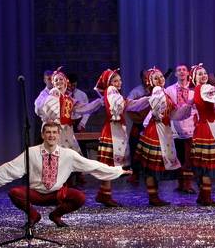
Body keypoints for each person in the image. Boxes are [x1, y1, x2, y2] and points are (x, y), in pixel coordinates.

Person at [0, 122, 131, 227]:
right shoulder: (32, 152)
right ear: (43, 135)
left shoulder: (68, 154)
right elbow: (11, 168)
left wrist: (118, 171)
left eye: (54, 132)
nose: (51, 135)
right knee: (14, 193)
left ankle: (55, 215)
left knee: (80, 197)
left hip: (57, 194)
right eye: (48, 132)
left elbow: (92, 165)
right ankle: (34, 216)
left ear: (58, 135)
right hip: (36, 193)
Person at [135, 67, 193, 206]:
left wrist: (188, 106)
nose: (160, 79)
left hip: (164, 129)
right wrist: (157, 111)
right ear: (151, 81)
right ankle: (153, 196)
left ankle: (154, 195)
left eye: (161, 77)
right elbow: (156, 109)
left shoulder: (164, 93)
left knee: (154, 166)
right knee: (152, 166)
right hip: (156, 131)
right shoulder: (157, 91)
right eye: (156, 78)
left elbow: (173, 114)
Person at [95, 68, 150, 207]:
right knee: (108, 164)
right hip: (111, 130)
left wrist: (148, 99)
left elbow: (131, 104)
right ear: (109, 83)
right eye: (115, 81)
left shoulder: (116, 95)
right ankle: (104, 195)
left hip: (116, 129)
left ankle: (104, 193)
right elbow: (118, 106)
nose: (118, 83)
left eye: (119, 80)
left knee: (110, 163)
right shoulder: (111, 92)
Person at [189, 63, 215, 206]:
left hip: (202, 127)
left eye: (205, 73)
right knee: (208, 164)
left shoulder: (198, 90)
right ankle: (206, 197)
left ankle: (202, 195)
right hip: (209, 128)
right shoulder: (205, 88)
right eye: (200, 74)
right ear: (194, 78)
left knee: (202, 163)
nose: (204, 76)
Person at [40, 67, 102, 156]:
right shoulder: (48, 97)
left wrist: (99, 102)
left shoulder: (69, 100)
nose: (58, 81)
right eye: (56, 80)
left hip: (68, 131)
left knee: (73, 157)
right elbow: (39, 110)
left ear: (65, 82)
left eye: (61, 79)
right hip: (55, 132)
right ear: (53, 83)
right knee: (57, 157)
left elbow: (84, 108)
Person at [164, 64, 198, 194]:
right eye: (179, 70)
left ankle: (188, 184)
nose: (182, 72)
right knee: (178, 156)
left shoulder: (193, 90)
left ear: (188, 73)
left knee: (189, 157)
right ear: (175, 74)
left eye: (184, 70)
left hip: (190, 127)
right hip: (175, 127)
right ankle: (180, 183)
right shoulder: (169, 90)